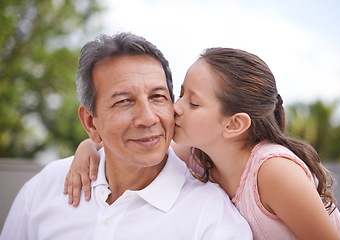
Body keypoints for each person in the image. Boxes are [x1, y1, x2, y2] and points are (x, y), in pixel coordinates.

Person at [65, 47, 340, 239]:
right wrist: (87, 147)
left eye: (194, 103)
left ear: (233, 124)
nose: (175, 107)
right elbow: (132, 143)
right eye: (180, 94)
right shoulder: (199, 152)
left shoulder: (273, 171)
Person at [0, 33, 253, 240]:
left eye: (157, 97)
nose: (148, 118)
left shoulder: (215, 221)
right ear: (90, 122)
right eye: (124, 101)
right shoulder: (44, 188)